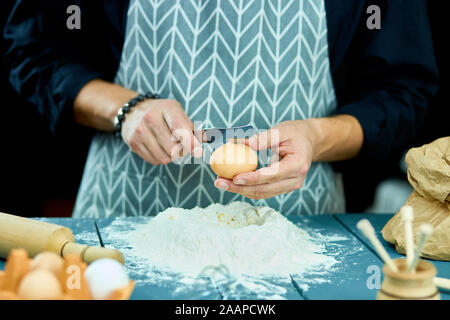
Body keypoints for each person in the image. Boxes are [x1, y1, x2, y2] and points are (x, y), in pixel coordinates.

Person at [3, 0, 438, 217]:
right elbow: (34, 48)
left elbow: (403, 89)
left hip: (293, 220)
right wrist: (126, 109)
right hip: (127, 215)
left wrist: (314, 137)